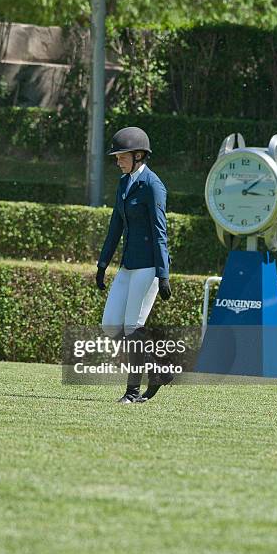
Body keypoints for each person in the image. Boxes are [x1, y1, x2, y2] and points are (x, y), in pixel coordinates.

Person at [96, 126, 173, 403]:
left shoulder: (153, 185)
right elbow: (116, 225)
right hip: (129, 266)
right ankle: (157, 370)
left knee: (132, 327)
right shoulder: (124, 183)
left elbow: (159, 230)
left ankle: (132, 392)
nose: (117, 161)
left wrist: (163, 274)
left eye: (121, 156)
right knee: (110, 324)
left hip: (150, 267)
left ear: (138, 155)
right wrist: (103, 263)